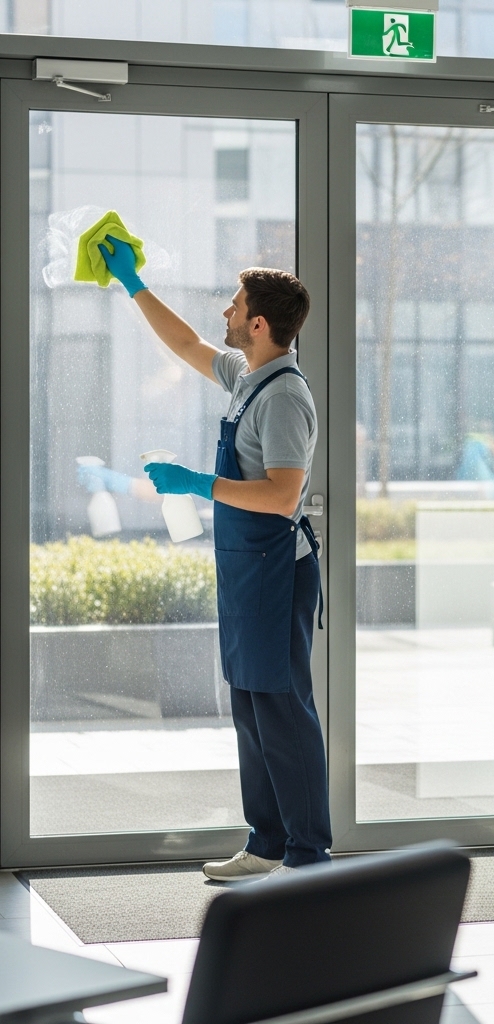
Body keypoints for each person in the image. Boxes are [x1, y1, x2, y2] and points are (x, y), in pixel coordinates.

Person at [100, 236, 331, 880]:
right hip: (246, 569)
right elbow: (183, 345)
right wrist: (132, 282)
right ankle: (266, 846)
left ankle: (309, 856)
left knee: (283, 711)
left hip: (277, 573)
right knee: (252, 709)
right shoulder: (246, 378)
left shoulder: (284, 396)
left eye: (234, 307)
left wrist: (196, 483)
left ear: (259, 323)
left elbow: (284, 495)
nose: (225, 317)